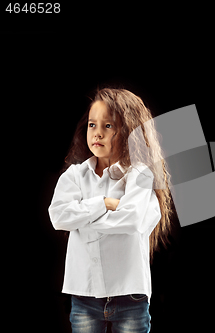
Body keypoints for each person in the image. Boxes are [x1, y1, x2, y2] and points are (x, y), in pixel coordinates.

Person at [48, 88, 175, 332]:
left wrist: (82, 220)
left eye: (108, 126)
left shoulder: (139, 175)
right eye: (92, 125)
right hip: (84, 295)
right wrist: (104, 204)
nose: (97, 133)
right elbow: (58, 217)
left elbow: (131, 220)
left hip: (130, 295)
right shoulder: (74, 176)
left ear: (129, 131)